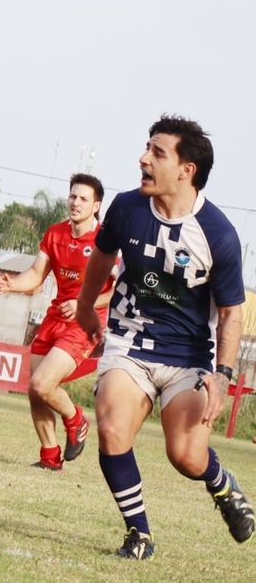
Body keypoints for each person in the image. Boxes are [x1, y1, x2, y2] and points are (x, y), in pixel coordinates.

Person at [73, 116, 253, 559]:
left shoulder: (219, 235)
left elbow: (231, 315)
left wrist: (222, 376)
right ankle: (140, 535)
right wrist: (84, 308)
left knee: (186, 456)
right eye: (146, 148)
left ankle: (220, 483)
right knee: (112, 428)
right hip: (128, 344)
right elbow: (102, 256)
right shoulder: (127, 207)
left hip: (187, 358)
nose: (143, 158)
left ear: (186, 169)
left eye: (157, 152)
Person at [0, 173, 115, 470]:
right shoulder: (56, 233)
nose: (76, 203)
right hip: (55, 317)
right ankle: (49, 457)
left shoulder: (107, 240)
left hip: (86, 323)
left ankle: (76, 419)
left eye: (84, 199)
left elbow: (119, 290)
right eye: (73, 196)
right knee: (35, 391)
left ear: (96, 205)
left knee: (42, 383)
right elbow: (36, 275)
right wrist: (12, 285)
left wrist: (84, 303)